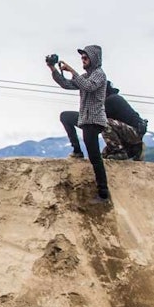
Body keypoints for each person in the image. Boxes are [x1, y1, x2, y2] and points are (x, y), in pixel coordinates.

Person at [50, 45, 111, 203]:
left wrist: (71, 70)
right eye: (82, 58)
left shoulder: (99, 75)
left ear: (94, 59)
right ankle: (77, 150)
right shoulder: (86, 75)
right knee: (65, 117)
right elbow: (67, 84)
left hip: (94, 120)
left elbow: (88, 86)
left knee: (94, 157)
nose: (82, 61)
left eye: (85, 58)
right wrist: (53, 69)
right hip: (85, 118)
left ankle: (103, 193)